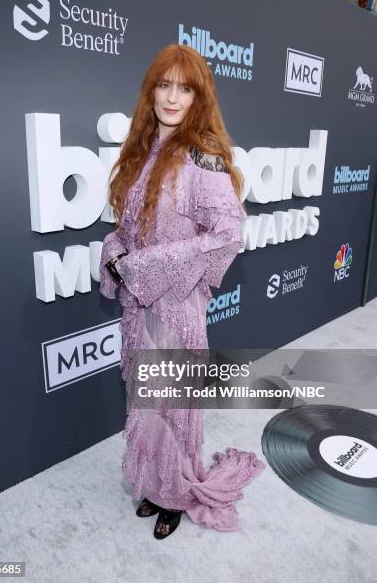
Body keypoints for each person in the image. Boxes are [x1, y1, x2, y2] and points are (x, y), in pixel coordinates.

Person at [99, 44, 265, 540]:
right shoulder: (139, 152)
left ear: (198, 97)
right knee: (148, 403)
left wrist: (147, 265)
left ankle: (179, 494)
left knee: (175, 406)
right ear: (151, 92)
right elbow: (125, 230)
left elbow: (227, 234)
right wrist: (115, 253)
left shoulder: (203, 157)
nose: (172, 97)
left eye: (184, 88)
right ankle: (154, 484)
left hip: (176, 308)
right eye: (164, 85)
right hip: (139, 308)